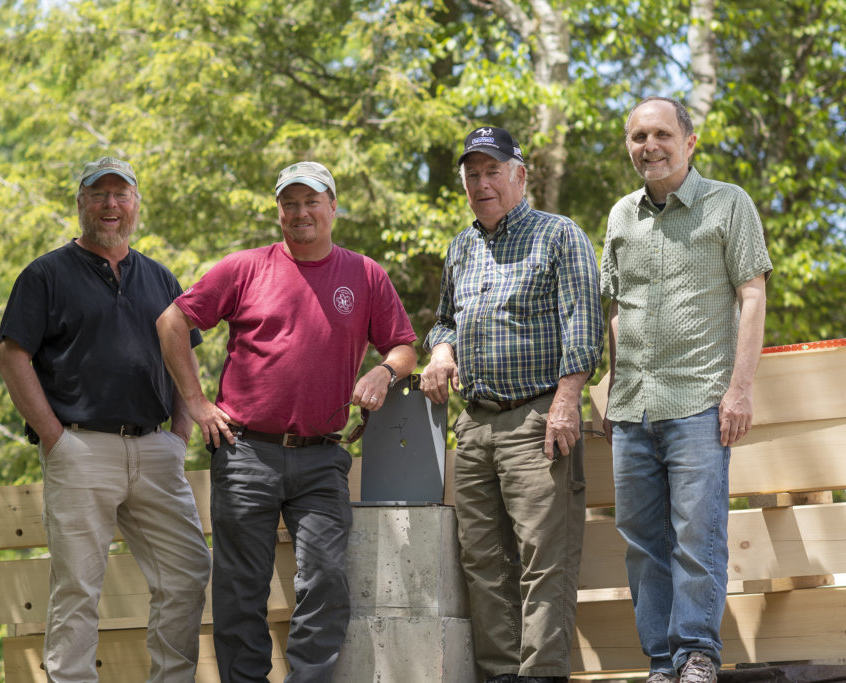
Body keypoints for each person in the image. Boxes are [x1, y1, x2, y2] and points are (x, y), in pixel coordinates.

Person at [157, 161, 417, 682]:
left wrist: (385, 372)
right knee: (239, 589)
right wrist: (196, 403)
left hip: (322, 456)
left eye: (312, 201)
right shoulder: (245, 267)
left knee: (324, 580)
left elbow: (404, 344)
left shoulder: (364, 274)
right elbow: (172, 321)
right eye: (290, 203)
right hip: (245, 451)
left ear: (333, 207)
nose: (301, 213)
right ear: (279, 210)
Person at [0, 156, 212, 682]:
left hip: (156, 450)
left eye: (121, 194)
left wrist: (178, 436)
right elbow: (12, 357)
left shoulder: (160, 278)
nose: (110, 205)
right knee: (77, 588)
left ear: (136, 203)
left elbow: (184, 356)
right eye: (98, 194)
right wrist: (54, 438)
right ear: (81, 203)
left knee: (186, 573)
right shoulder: (45, 274)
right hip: (80, 449)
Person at [420, 127, 605, 683]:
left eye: (492, 171)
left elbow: (583, 324)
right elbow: (445, 319)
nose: (481, 183)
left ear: (519, 176)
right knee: (481, 563)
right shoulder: (460, 246)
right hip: (473, 424)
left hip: (537, 418)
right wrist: (442, 350)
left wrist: (567, 401)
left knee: (543, 560)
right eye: (472, 174)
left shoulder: (558, 236)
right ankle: (500, 675)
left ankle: (542, 674)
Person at [601, 96, 771, 683]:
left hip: (700, 400)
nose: (650, 146)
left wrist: (740, 390)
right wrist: (616, 382)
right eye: (638, 136)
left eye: (662, 135)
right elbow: (618, 310)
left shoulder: (729, 204)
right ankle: (660, 663)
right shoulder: (621, 216)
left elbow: (752, 295)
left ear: (689, 142)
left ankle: (697, 654)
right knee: (643, 544)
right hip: (631, 408)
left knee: (697, 536)